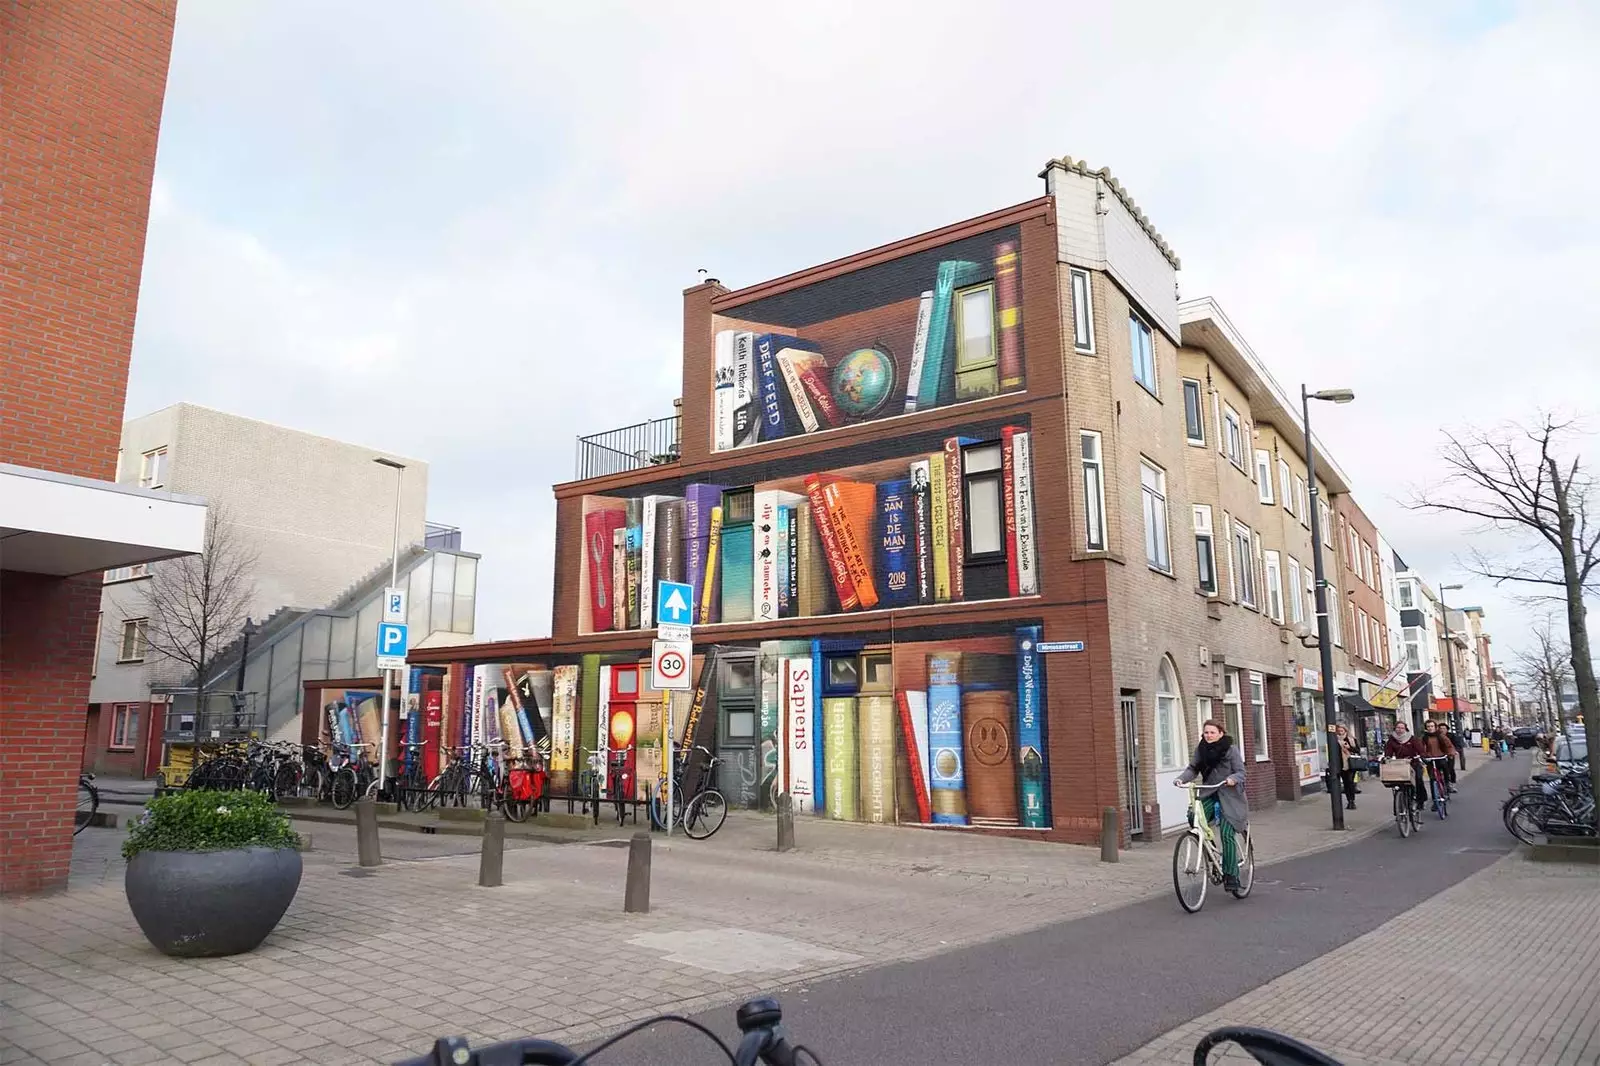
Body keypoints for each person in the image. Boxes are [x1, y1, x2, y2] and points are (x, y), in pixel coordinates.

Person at [1176, 720, 1249, 890]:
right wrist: (1181, 779)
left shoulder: (1230, 750)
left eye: (1212, 732)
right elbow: (1193, 769)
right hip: (1210, 793)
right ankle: (1211, 853)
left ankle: (1231, 875)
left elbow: (1241, 772)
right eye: (1206, 733)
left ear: (1220, 733)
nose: (1208, 736)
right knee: (1194, 816)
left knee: (1226, 832)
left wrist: (1232, 779)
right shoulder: (1201, 750)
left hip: (1230, 797)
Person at [1383, 719, 1428, 814]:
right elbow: (1388, 751)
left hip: (1413, 763)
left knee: (1418, 780)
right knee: (1397, 783)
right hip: (1400, 764)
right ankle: (1399, 807)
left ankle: (1420, 800)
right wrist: (1387, 757)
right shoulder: (1392, 740)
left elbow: (1420, 749)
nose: (1399, 730)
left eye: (1402, 728)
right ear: (1395, 728)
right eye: (1398, 728)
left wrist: (1422, 755)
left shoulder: (1412, 739)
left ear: (1405, 729)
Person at [1421, 720, 1458, 796]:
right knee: (1432, 779)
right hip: (1430, 759)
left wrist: (1450, 753)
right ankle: (1435, 799)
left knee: (1445, 769)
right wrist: (1422, 756)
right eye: (1428, 726)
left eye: (1432, 726)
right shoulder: (1424, 738)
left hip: (1441, 757)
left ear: (1435, 727)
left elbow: (1448, 745)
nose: (1430, 728)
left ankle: (1447, 784)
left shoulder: (1440, 736)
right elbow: (1421, 748)